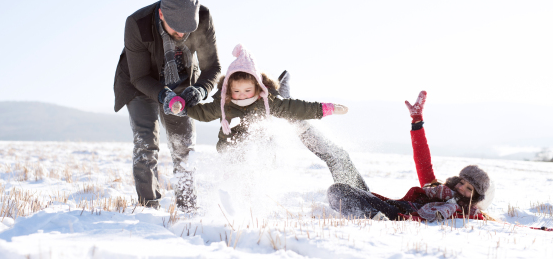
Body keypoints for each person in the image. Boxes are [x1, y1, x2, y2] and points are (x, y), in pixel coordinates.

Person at [167, 44, 369, 190]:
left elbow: (296, 108)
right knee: (236, 172)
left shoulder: (268, 101)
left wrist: (325, 109)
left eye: (247, 90)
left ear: (257, 86)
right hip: (230, 150)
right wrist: (183, 108)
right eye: (237, 91)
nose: (242, 95)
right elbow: (202, 113)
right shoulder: (224, 104)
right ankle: (232, 197)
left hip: (260, 147)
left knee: (259, 158)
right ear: (229, 90)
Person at [113, 0, 221, 212]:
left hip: (181, 81)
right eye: (177, 29)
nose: (183, 35)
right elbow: (140, 76)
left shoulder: (202, 18)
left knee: (183, 146)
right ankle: (148, 207)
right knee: (146, 142)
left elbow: (213, 67)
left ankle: (187, 209)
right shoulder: (137, 23)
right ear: (161, 15)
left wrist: (200, 90)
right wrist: (163, 95)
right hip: (140, 85)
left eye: (187, 30)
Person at [326, 91, 493, 221]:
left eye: (469, 189)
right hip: (390, 205)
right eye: (462, 182)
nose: (461, 187)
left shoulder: (464, 212)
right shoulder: (437, 190)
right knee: (341, 168)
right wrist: (417, 121)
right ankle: (307, 132)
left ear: (476, 198)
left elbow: (479, 218)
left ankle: (374, 218)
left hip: (395, 214)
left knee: (338, 190)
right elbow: (423, 161)